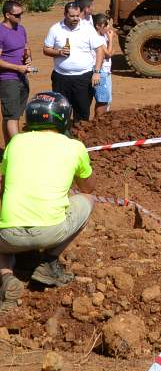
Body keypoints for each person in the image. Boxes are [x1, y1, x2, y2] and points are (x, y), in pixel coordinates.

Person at [0, 92, 96, 312]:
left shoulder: (15, 142)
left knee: (3, 237)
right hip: (51, 231)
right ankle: (49, 262)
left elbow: (3, 188)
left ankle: (7, 278)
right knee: (89, 200)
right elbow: (88, 189)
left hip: (8, 236)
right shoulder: (74, 147)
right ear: (64, 117)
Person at [43, 2, 105, 124]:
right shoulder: (55, 29)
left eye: (77, 15)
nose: (76, 18)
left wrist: (97, 72)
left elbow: (100, 50)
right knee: (60, 111)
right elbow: (46, 49)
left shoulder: (87, 28)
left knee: (82, 111)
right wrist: (59, 52)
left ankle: (80, 139)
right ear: (65, 14)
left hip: (83, 78)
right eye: (72, 16)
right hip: (61, 78)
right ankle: (63, 138)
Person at [0, 1, 32, 146]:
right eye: (18, 15)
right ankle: (17, 150)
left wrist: (27, 57)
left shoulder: (21, 29)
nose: (21, 17)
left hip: (22, 77)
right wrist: (17, 68)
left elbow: (25, 47)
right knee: (11, 116)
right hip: (7, 79)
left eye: (22, 14)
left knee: (13, 115)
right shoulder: (1, 32)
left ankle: (9, 149)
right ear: (7, 15)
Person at [91, 13, 115, 117]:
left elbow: (111, 53)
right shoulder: (97, 38)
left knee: (107, 99)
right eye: (105, 25)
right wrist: (110, 40)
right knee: (103, 100)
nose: (108, 28)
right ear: (98, 26)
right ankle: (98, 123)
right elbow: (109, 54)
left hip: (106, 71)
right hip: (101, 72)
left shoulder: (101, 35)